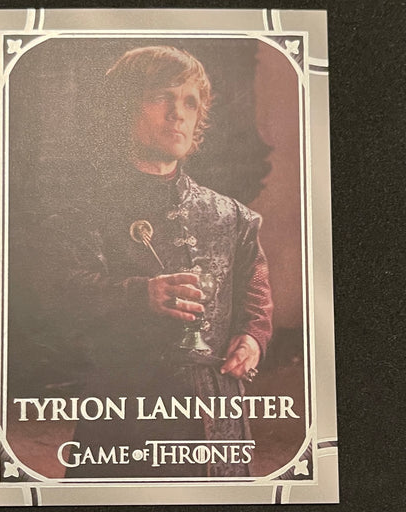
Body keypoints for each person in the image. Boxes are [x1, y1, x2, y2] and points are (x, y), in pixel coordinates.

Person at [40, 46, 273, 478]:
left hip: (219, 420)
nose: (178, 113)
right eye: (162, 97)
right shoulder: (84, 211)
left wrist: (252, 339)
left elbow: (254, 296)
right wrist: (139, 295)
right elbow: (60, 292)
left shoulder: (233, 216)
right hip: (126, 414)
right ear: (124, 108)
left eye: (190, 102)